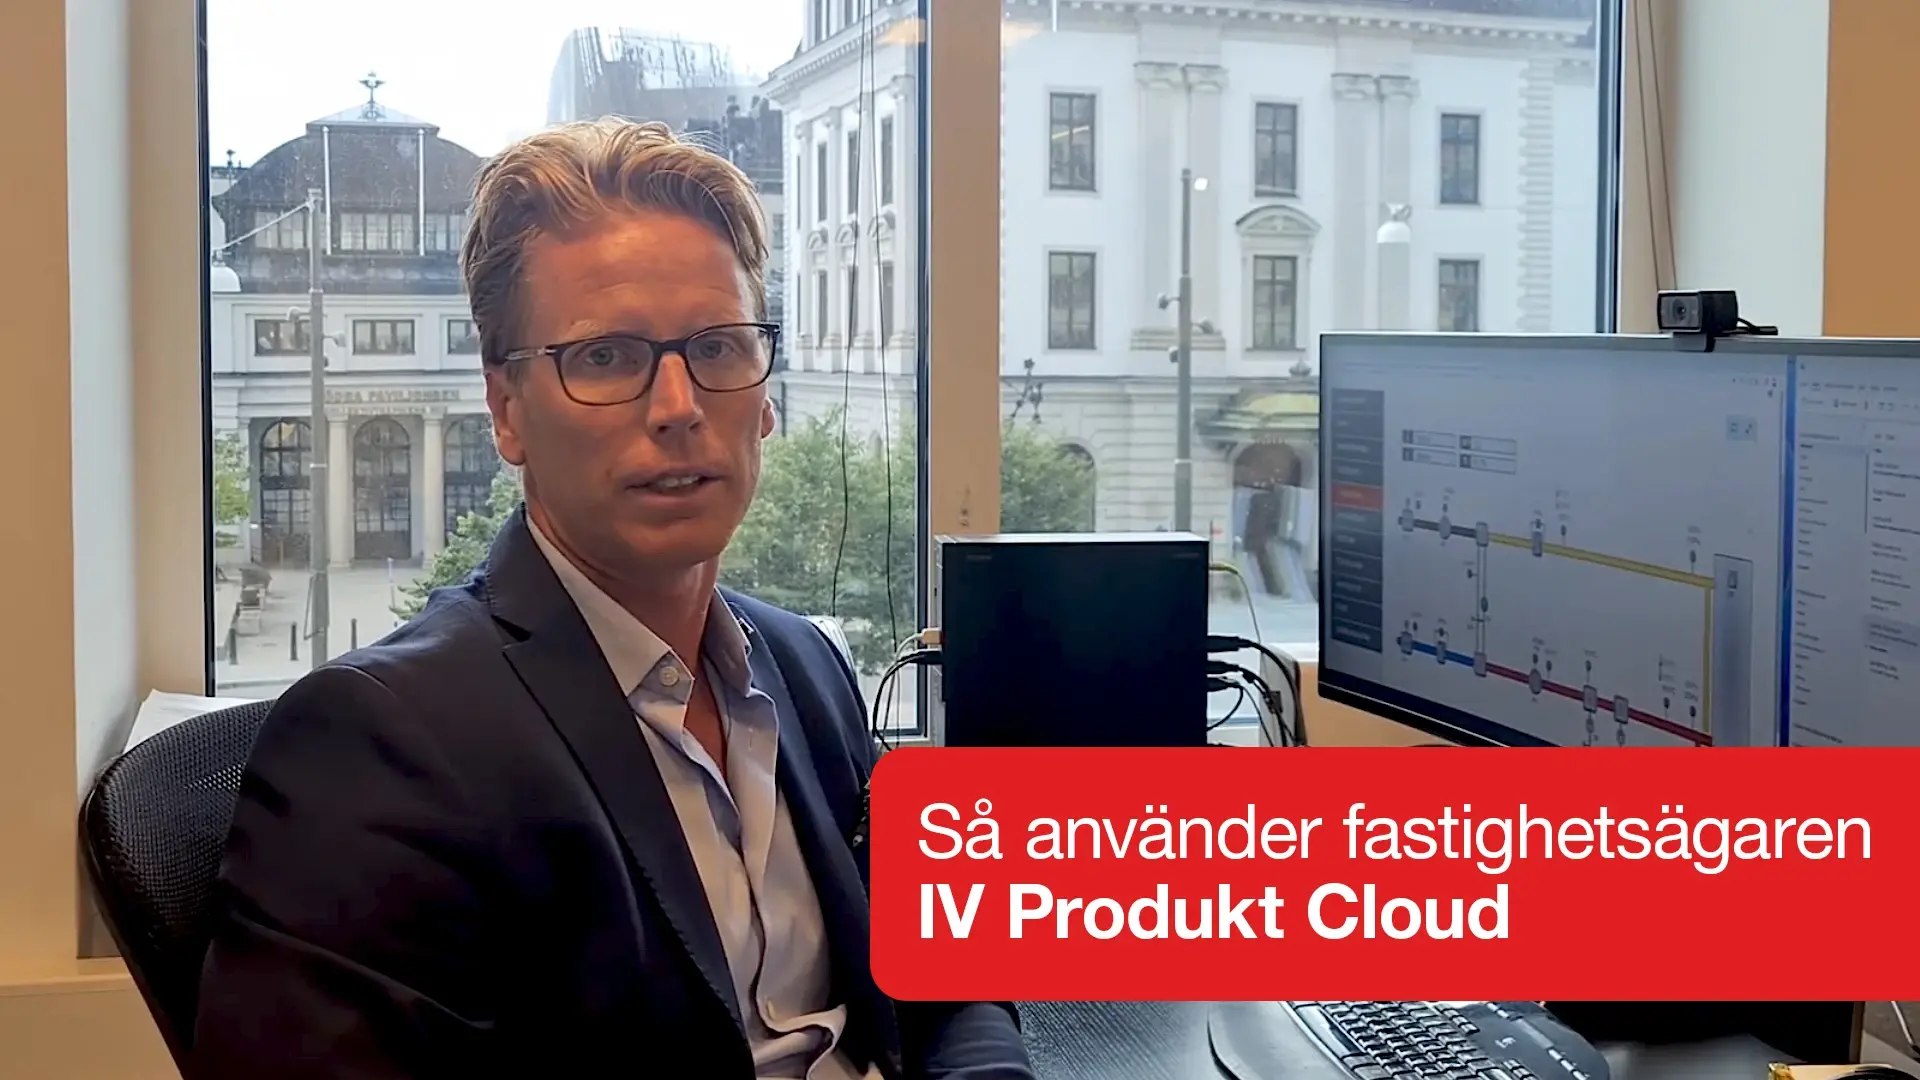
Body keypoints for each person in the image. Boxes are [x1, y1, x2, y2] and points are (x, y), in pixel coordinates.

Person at [191, 118, 1034, 1080]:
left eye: (718, 347)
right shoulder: (379, 745)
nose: (678, 406)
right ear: (506, 410)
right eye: (605, 358)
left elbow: (950, 963)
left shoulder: (808, 665)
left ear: (764, 395)